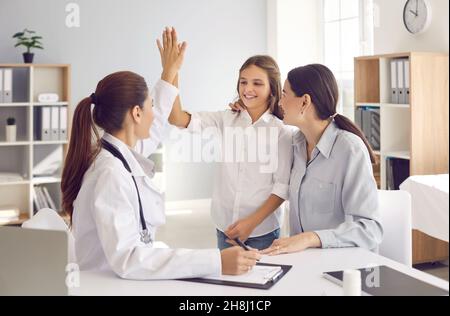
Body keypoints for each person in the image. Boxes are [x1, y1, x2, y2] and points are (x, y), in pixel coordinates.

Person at [61, 28, 260, 280]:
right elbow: (129, 260)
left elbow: (155, 127)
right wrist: (215, 261)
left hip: (119, 278)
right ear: (136, 113)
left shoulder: (118, 152)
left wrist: (170, 72)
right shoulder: (110, 174)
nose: (155, 113)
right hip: (109, 283)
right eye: (150, 106)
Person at [167, 38, 293, 250]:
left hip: (261, 232)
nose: (248, 89)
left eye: (257, 83)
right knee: (227, 282)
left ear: (273, 89)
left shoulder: (281, 132)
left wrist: (251, 224)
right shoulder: (226, 119)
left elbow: (281, 189)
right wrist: (172, 70)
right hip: (224, 227)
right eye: (243, 82)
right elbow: (177, 118)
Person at [262, 64, 383, 256]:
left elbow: (370, 230)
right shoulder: (295, 143)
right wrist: (241, 111)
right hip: (304, 263)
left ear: (304, 102)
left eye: (284, 94)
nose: (280, 103)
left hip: (343, 266)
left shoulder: (350, 150)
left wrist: (310, 238)